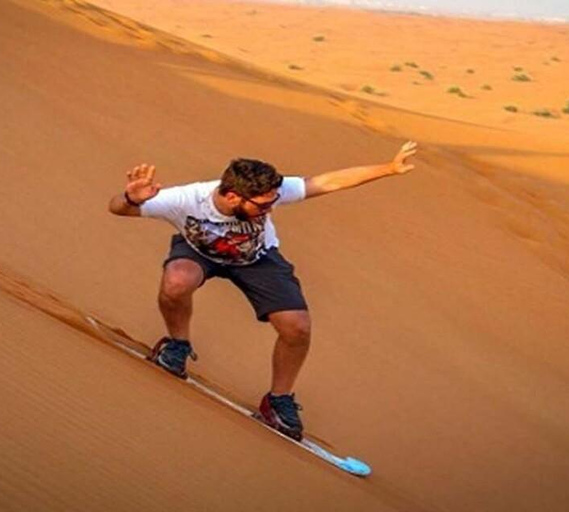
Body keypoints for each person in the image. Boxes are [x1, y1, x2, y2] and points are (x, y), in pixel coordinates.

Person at [107, 141, 417, 440]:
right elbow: (118, 209)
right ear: (231, 196)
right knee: (177, 282)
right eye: (263, 205)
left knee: (297, 327)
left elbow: (328, 181)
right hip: (199, 252)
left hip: (257, 258)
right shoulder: (186, 199)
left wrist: (389, 168)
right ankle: (176, 345)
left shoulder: (269, 195)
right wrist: (131, 198)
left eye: (272, 201)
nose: (269, 208)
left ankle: (278, 400)